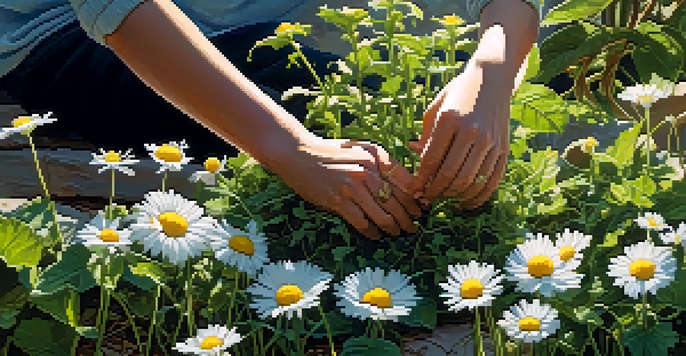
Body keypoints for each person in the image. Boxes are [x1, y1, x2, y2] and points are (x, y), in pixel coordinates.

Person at [0, 0, 540, 239]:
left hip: (260, 28)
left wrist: (489, 73)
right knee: (343, 161)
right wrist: (295, 149)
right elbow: (118, 10)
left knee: (396, 130)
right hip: (69, 33)